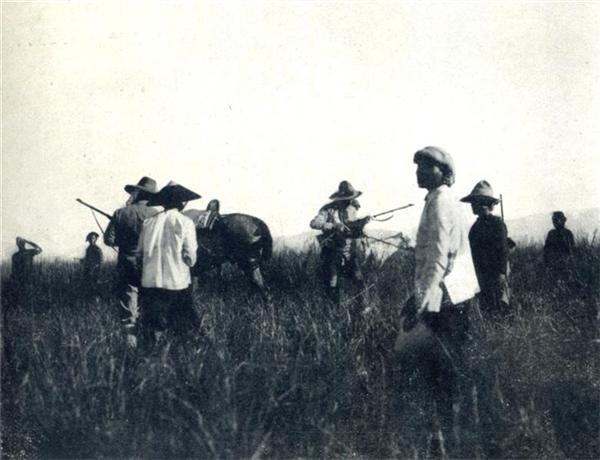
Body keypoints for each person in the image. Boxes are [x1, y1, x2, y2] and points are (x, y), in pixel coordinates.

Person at [410, 146, 479, 455]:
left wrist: (420, 303)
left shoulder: (439, 203)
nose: (419, 172)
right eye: (418, 167)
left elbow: (438, 258)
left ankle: (446, 442)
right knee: (451, 369)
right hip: (455, 295)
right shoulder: (443, 202)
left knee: (441, 372)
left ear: (443, 173)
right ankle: (453, 435)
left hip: (445, 299)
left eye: (426, 167)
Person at [137, 181, 200, 343]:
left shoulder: (148, 223)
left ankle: (152, 353)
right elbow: (190, 258)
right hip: (176, 282)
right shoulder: (185, 222)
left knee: (153, 324)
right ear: (181, 203)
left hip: (150, 281)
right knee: (182, 324)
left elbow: (139, 253)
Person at [104, 176, 158, 337]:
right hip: (150, 265)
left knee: (128, 310)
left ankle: (130, 350)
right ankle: (151, 345)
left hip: (127, 264)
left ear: (137, 193)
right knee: (150, 305)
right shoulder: (156, 214)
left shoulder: (120, 213)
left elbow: (109, 240)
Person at [310, 181, 370, 310]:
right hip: (331, 252)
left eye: (351, 199)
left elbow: (353, 226)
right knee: (332, 282)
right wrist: (333, 226)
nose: (350, 201)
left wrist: (362, 222)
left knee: (359, 280)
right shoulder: (327, 209)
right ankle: (332, 311)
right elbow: (314, 223)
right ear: (339, 199)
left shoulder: (353, 208)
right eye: (347, 199)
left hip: (350, 252)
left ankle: (363, 309)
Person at [460, 180, 510, 315]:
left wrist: (501, 273)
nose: (472, 206)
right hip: (480, 276)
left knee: (499, 308)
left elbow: (503, 250)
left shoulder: (497, 224)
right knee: (486, 309)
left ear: (484, 204)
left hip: (495, 275)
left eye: (474, 202)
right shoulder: (475, 228)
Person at [543, 211, 575, 276]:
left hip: (564, 265)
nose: (554, 223)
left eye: (556, 220)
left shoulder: (567, 233)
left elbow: (572, 250)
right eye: (554, 221)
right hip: (553, 265)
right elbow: (546, 251)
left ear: (563, 221)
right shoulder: (552, 233)